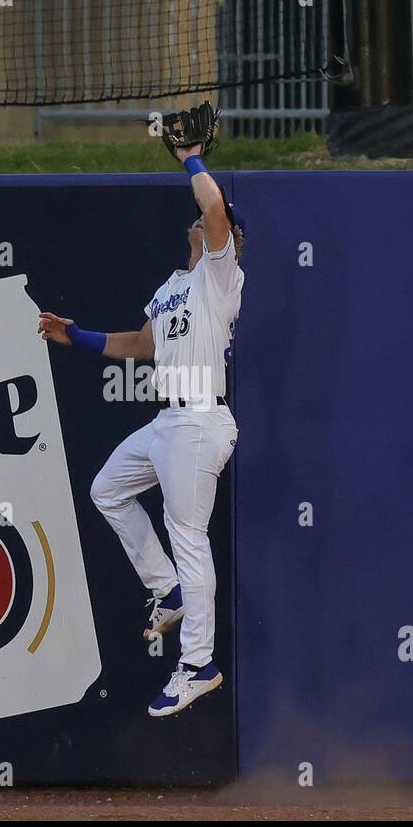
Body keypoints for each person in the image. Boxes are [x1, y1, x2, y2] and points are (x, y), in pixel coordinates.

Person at [37, 134, 244, 718]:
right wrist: (73, 335)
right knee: (107, 490)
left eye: (214, 225)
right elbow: (139, 344)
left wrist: (191, 159)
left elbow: (212, 208)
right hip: (168, 421)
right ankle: (167, 589)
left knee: (190, 538)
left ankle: (197, 664)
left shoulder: (219, 278)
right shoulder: (172, 288)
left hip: (201, 418)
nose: (202, 226)